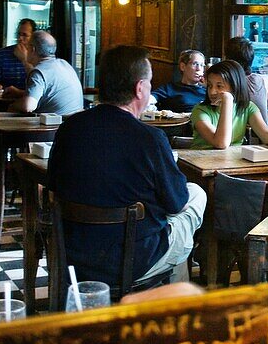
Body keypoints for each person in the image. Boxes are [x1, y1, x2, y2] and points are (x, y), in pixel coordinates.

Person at [48, 45, 207, 291]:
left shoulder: (69, 127)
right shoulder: (150, 139)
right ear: (139, 88)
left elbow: (53, 184)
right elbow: (177, 203)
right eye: (150, 83)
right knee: (195, 196)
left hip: (71, 254)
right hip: (132, 261)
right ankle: (172, 307)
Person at [190, 60, 268, 151]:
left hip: (232, 163)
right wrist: (227, 100)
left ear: (235, 87)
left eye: (219, 86)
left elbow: (266, 135)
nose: (213, 91)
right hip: (203, 165)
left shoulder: (248, 107)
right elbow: (220, 143)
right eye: (209, 86)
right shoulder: (200, 111)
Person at [8, 30, 84, 114]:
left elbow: (28, 106)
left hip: (56, 125)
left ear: (32, 49)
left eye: (27, 46)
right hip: (75, 121)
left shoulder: (38, 72)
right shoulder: (65, 64)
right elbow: (48, 94)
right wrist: (20, 93)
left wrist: (13, 105)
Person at [224, 37, 268, 123]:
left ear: (227, 58)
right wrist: (256, 118)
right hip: (261, 135)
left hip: (235, 135)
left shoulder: (223, 82)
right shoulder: (263, 80)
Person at [0, 18, 35, 90]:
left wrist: (24, 60)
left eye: (24, 35)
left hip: (30, 98)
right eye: (18, 34)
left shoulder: (38, 56)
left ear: (33, 37)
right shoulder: (1, 55)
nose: (20, 38)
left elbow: (37, 84)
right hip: (4, 98)